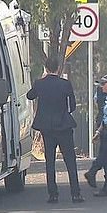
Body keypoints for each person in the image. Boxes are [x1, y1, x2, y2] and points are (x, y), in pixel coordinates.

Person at [27, 56, 84, 204]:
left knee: (50, 161)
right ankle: (75, 193)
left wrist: (40, 81)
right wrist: (65, 114)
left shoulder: (40, 84)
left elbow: (30, 95)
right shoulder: (65, 84)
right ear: (58, 68)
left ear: (46, 68)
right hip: (64, 125)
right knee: (70, 160)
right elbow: (72, 105)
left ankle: (53, 194)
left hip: (47, 127)